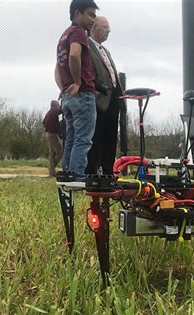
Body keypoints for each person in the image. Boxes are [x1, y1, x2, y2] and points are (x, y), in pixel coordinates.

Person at [55, 0, 98, 181]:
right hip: (82, 94)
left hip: (68, 96)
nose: (93, 20)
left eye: (94, 15)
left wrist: (64, 88)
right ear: (77, 14)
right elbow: (74, 55)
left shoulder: (64, 35)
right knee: (83, 139)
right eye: (90, 14)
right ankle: (78, 177)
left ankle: (68, 175)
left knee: (71, 139)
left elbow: (57, 68)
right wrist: (78, 82)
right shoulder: (78, 32)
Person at [86, 16, 125, 175]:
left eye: (108, 28)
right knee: (95, 138)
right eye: (104, 27)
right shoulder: (86, 47)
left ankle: (109, 173)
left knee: (110, 138)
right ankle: (91, 173)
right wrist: (99, 88)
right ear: (93, 27)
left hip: (113, 99)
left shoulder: (105, 50)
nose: (108, 30)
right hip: (98, 100)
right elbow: (89, 73)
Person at [42, 100, 63, 176]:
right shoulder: (54, 110)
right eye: (58, 105)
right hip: (53, 134)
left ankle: (52, 171)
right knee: (60, 152)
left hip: (48, 133)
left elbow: (43, 122)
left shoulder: (48, 113)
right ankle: (52, 169)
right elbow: (61, 110)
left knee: (52, 153)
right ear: (55, 105)